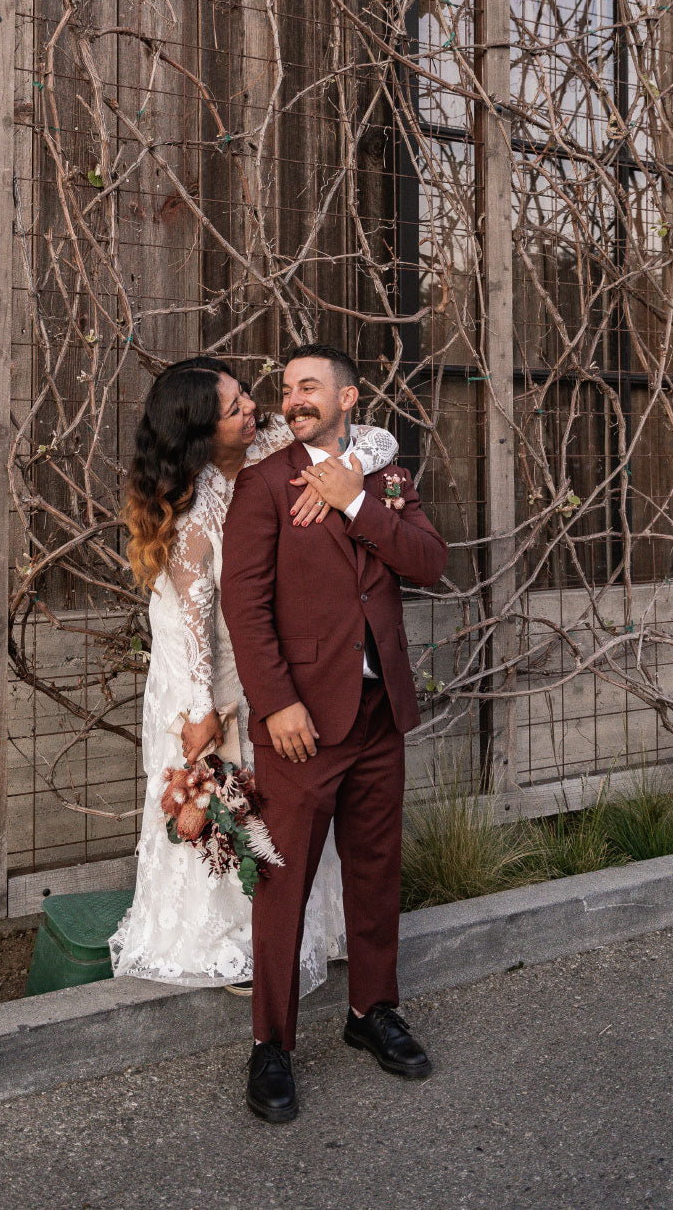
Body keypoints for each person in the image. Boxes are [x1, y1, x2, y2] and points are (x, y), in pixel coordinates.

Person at [109, 356, 399, 992]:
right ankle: (233, 943)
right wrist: (199, 709)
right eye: (234, 408)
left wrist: (344, 478)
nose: (252, 410)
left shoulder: (276, 441)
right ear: (201, 434)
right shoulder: (189, 510)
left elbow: (377, 439)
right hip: (208, 668)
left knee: (291, 804)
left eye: (244, 396)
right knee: (230, 802)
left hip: (280, 659)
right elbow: (188, 620)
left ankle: (305, 931)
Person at [220, 343, 448, 1122]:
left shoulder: (384, 478)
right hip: (304, 723)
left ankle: (372, 1012)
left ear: (350, 396)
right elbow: (243, 605)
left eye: (310, 387)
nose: (294, 399)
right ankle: (271, 1045)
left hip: (381, 711)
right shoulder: (262, 484)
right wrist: (276, 701)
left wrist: (356, 504)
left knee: (377, 866)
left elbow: (428, 562)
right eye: (287, 390)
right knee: (282, 879)